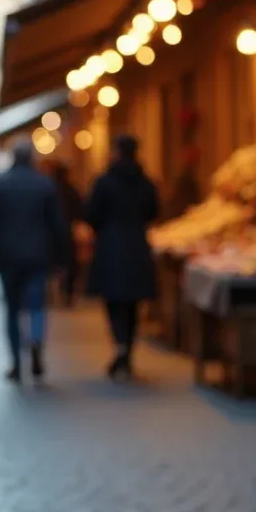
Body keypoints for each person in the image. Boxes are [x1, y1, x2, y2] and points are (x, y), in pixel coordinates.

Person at [0, 141, 69, 383]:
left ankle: (16, 361)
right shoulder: (44, 185)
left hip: (8, 256)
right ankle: (37, 343)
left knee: (12, 308)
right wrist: (62, 259)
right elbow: (57, 225)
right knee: (37, 304)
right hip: (38, 255)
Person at [85, 134, 160, 380]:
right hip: (137, 245)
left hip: (110, 247)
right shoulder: (145, 182)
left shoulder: (104, 182)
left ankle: (120, 346)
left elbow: (92, 213)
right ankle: (126, 349)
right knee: (133, 304)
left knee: (113, 301)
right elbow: (153, 211)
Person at [53, 164, 86, 307]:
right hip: (68, 231)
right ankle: (68, 292)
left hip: (54, 232)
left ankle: (59, 289)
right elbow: (80, 210)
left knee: (57, 262)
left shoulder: (51, 190)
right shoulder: (72, 190)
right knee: (70, 263)